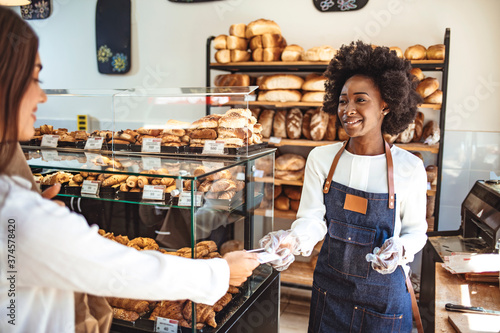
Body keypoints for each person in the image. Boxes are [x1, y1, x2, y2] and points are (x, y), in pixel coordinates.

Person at [0, 6, 259, 333]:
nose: (41, 95)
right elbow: (114, 270)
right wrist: (220, 272)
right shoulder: (17, 212)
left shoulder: (18, 205)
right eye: (33, 78)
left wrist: (38, 217)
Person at [260, 41, 428, 332]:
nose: (348, 110)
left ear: (386, 104)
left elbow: (416, 232)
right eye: (342, 101)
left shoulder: (409, 167)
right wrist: (293, 239)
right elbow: (312, 220)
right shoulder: (321, 159)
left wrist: (400, 249)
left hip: (384, 302)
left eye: (360, 100)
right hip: (330, 295)